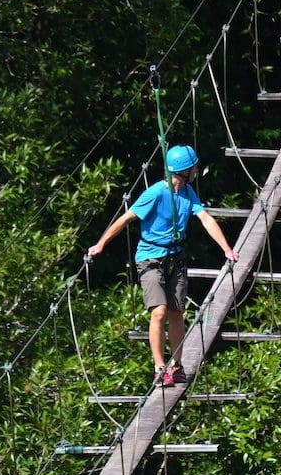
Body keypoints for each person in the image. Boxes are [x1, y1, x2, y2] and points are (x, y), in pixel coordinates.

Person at [87, 144, 239, 386]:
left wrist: (226, 249)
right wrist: (101, 243)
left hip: (175, 257)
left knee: (176, 312)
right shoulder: (156, 193)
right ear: (184, 171)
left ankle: (176, 366)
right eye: (193, 167)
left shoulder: (188, 192)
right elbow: (127, 218)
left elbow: (206, 219)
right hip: (150, 258)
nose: (197, 170)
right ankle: (160, 368)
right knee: (158, 312)